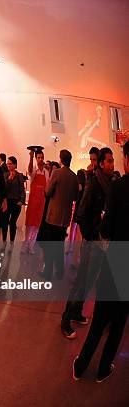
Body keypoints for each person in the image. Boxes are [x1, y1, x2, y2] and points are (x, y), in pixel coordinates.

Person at [73, 142, 129, 382]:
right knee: (119, 323)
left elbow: (105, 229)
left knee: (101, 318)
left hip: (115, 256)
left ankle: (81, 365)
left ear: (126, 159)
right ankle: (104, 367)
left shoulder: (118, 188)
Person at [62, 147, 115, 338]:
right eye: (108, 161)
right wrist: (91, 236)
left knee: (89, 280)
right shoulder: (93, 183)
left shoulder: (109, 183)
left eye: (113, 160)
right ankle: (65, 320)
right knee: (81, 281)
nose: (112, 164)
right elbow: (81, 214)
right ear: (101, 164)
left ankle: (77, 311)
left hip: (101, 243)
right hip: (92, 241)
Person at [39, 149, 79, 281]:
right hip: (65, 217)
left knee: (51, 245)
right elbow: (75, 197)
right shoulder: (74, 176)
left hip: (53, 216)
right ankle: (60, 271)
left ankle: (48, 272)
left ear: (61, 159)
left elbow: (48, 192)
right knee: (60, 244)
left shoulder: (56, 173)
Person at [24, 149, 49, 254]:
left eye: (42, 157)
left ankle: (31, 245)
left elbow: (47, 186)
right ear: (35, 159)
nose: (40, 159)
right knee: (29, 224)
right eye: (38, 157)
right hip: (33, 201)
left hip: (41, 201)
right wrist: (30, 157)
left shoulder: (46, 172)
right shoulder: (34, 169)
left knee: (37, 225)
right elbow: (30, 170)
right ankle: (25, 245)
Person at [0, 156, 25, 245]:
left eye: (10, 164)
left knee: (13, 222)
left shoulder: (19, 176)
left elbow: (22, 189)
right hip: (7, 202)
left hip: (16, 202)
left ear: (15, 165)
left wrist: (21, 201)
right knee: (4, 221)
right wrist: (9, 180)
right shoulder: (5, 175)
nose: (8, 165)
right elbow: (3, 189)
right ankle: (3, 240)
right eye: (7, 163)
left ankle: (11, 241)